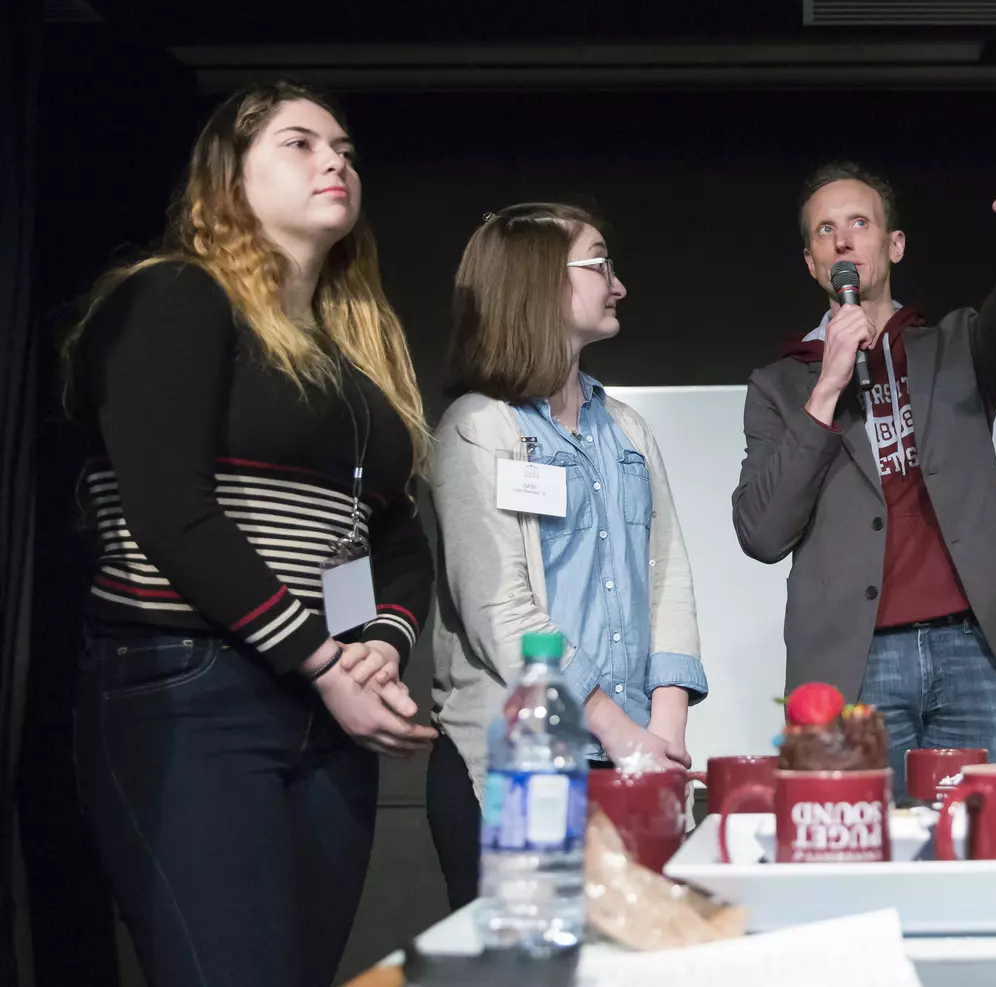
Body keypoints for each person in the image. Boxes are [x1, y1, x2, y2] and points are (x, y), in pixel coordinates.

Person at [63, 82, 436, 987]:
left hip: (320, 703)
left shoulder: (351, 346)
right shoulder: (175, 296)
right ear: (229, 176)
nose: (334, 161)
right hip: (192, 687)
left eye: (343, 147)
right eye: (299, 144)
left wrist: (379, 645)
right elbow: (170, 514)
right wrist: (321, 660)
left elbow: (400, 533)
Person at [733, 118, 996, 800]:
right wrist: (828, 385)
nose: (843, 238)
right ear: (811, 263)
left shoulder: (953, 347)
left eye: (860, 223)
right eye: (824, 230)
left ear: (893, 244)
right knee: (853, 858)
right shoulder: (779, 385)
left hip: (975, 650)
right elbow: (760, 532)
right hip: (852, 664)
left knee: (992, 849)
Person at [427, 202, 705, 907]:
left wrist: (662, 730)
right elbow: (501, 612)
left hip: (629, 758)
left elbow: (666, 576)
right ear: (542, 281)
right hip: (526, 765)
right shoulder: (478, 428)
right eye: (600, 263)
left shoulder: (626, 427)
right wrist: (619, 731)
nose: (619, 284)